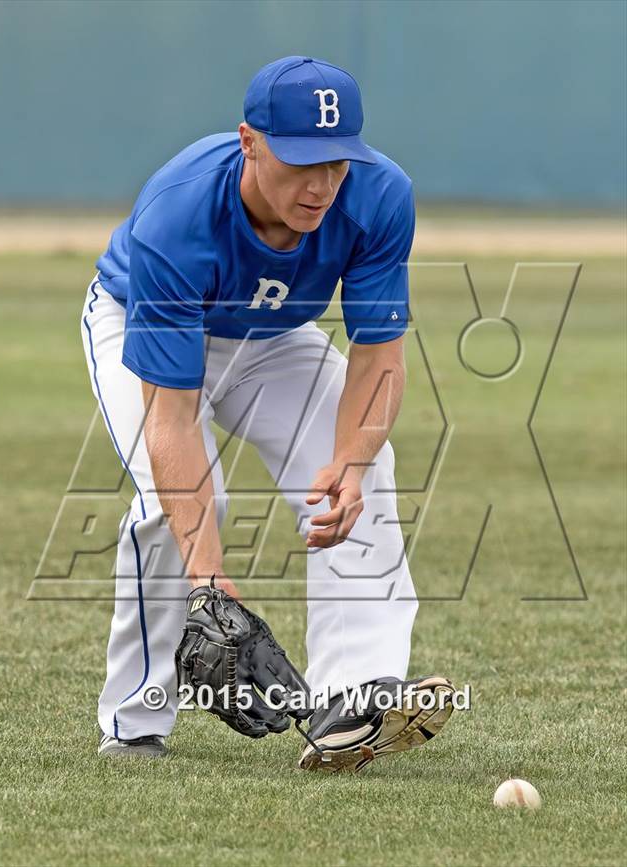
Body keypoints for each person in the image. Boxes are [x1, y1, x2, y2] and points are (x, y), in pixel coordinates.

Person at [83, 56, 453, 770]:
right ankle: (136, 721)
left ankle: (357, 700)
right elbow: (171, 417)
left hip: (275, 335)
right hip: (144, 322)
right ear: (250, 141)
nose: (320, 185)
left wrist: (346, 461)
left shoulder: (378, 196)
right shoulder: (180, 211)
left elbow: (379, 360)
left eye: (337, 162)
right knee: (180, 504)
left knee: (363, 474)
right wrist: (210, 586)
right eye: (300, 162)